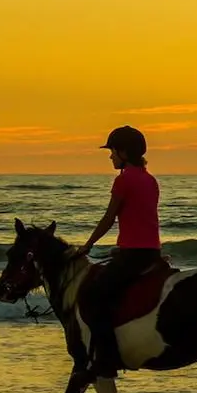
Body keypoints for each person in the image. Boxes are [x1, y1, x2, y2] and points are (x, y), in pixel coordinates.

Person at [75, 125, 162, 378]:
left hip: (133, 255)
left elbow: (108, 218)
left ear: (123, 152)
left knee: (92, 295)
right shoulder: (150, 180)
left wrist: (88, 245)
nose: (110, 157)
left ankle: (107, 357)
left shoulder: (123, 181)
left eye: (112, 151)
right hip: (150, 253)